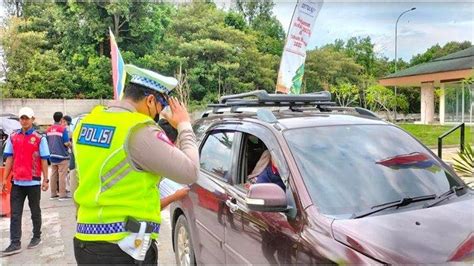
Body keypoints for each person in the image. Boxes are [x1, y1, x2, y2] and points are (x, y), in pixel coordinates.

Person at [72, 64, 199, 265]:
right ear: (150, 100)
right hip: (123, 247)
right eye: (160, 107)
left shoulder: (87, 122)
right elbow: (190, 172)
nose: (159, 114)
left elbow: (77, 177)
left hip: (85, 241)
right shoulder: (138, 130)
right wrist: (184, 124)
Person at [1, 107, 50, 256]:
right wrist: (4, 179)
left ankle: (36, 236)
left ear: (32, 119)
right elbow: (9, 158)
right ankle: (15, 242)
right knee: (15, 214)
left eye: (27, 118)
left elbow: (44, 160)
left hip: (33, 182)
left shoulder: (40, 138)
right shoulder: (13, 137)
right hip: (17, 182)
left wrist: (45, 180)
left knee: (35, 211)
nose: (24, 121)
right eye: (22, 118)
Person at [46, 111, 70, 200]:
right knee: (62, 175)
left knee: (53, 175)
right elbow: (66, 143)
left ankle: (53, 194)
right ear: (61, 119)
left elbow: (47, 141)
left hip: (52, 155)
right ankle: (62, 195)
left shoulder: (48, 129)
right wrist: (71, 145)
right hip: (62, 156)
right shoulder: (63, 129)